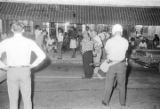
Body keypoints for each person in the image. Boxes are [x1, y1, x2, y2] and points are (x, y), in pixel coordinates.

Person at [0, 22, 46, 109]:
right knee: (27, 99)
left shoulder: (6, 42)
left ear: (12, 30)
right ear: (23, 30)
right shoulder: (29, 42)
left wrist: (2, 66)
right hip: (25, 71)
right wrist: (32, 65)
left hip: (11, 71)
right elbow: (42, 56)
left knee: (13, 100)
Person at [102, 24, 129, 108]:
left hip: (111, 65)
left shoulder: (110, 41)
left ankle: (105, 104)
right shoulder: (125, 41)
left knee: (109, 84)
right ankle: (122, 104)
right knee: (122, 85)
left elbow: (107, 51)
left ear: (113, 32)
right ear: (121, 32)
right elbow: (125, 51)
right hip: (121, 65)